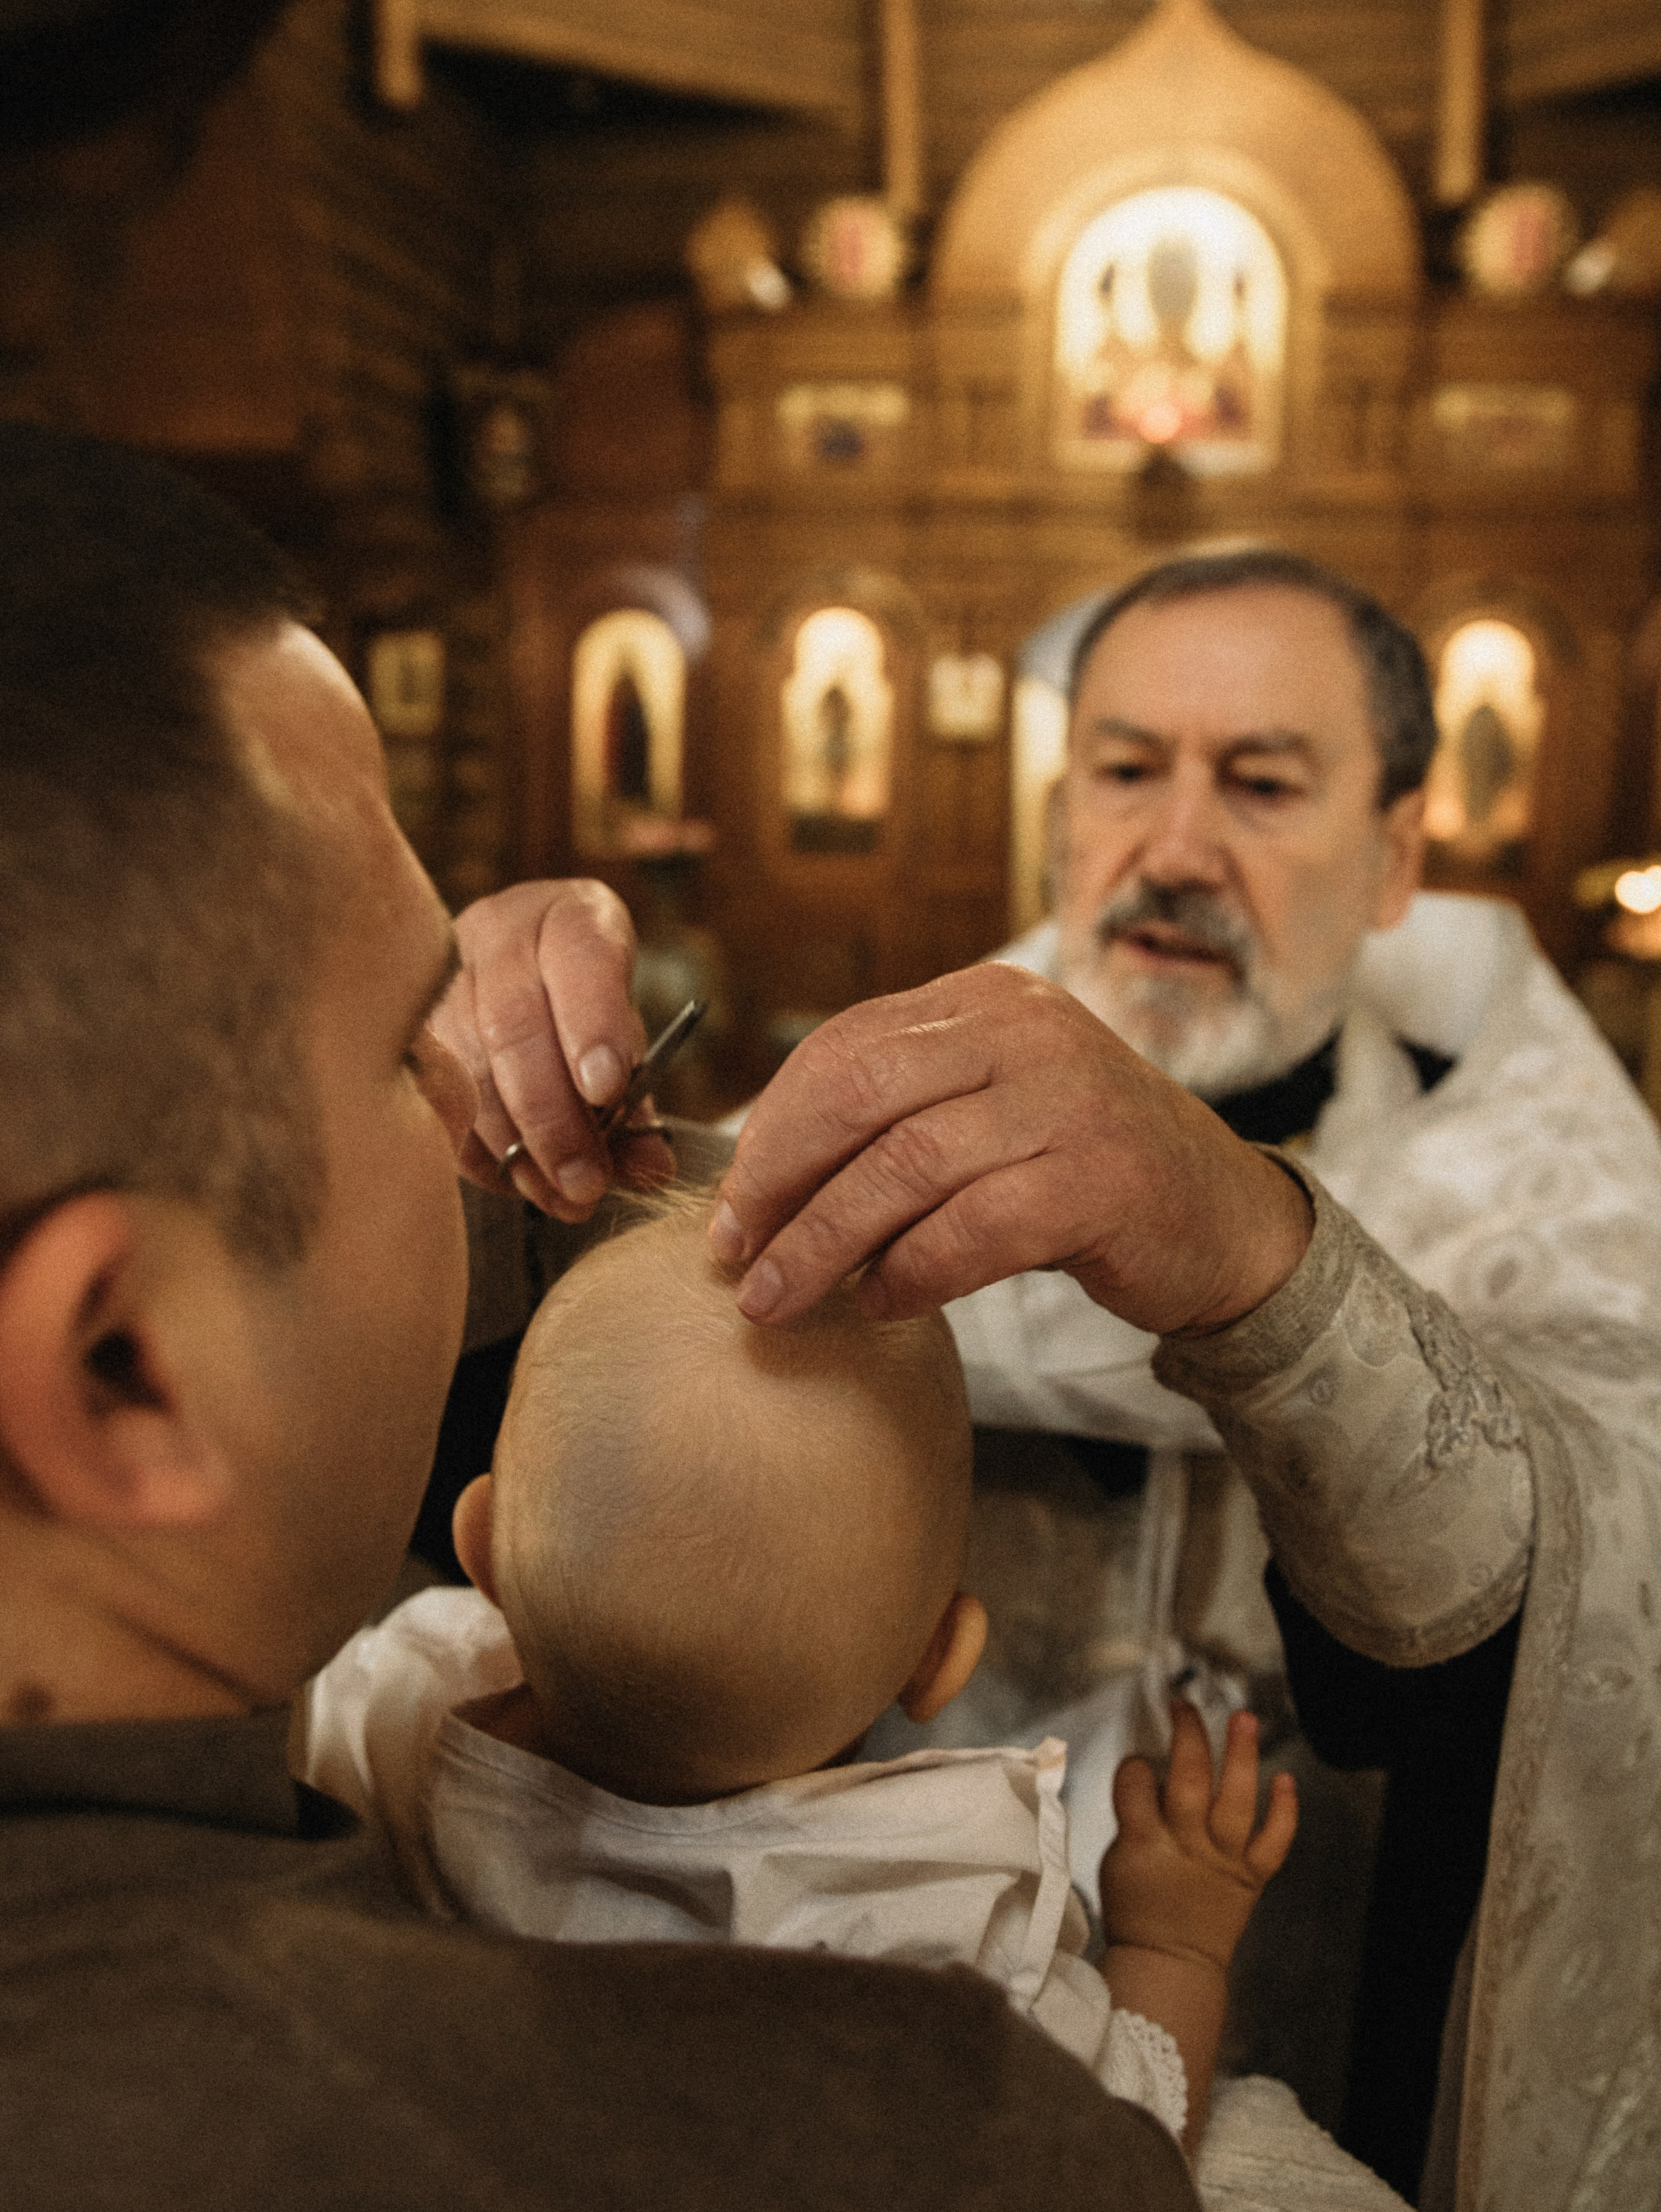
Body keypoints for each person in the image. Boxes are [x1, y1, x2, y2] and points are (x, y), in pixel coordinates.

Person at [0, 422, 1204, 2212]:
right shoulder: (918, 2137)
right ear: (120, 1367)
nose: (473, 1100)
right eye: (410, 1065)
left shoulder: (371, 1732)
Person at [439, 552, 1661, 2211]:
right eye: (1123, 769)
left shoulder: (1554, 1194)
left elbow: (1586, 1655)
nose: (1171, 847)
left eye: (1259, 783)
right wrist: (468, 1117)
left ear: (1393, 854)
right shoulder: (858, 1120)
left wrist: (1254, 1256)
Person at [304, 1190, 1327, 2178]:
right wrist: (1175, 1944)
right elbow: (1125, 2146)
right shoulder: (936, 1938)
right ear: (943, 1659)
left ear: (478, 1544)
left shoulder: (394, 1722)